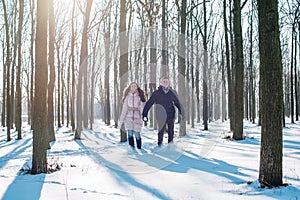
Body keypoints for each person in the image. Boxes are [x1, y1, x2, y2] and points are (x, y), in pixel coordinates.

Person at [142, 76, 183, 146]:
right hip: (160, 115)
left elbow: (177, 103)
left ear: (169, 83)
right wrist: (144, 114)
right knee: (161, 131)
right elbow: (149, 103)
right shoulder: (156, 93)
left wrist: (182, 112)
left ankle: (170, 145)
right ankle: (159, 145)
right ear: (161, 83)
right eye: (164, 81)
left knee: (171, 131)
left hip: (170, 114)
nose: (165, 83)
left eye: (166, 81)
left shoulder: (172, 93)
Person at [118, 82, 146, 149]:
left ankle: (139, 148)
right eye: (132, 86)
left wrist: (143, 116)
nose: (133, 87)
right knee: (130, 134)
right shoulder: (127, 97)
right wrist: (121, 120)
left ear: (137, 87)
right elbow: (124, 109)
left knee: (137, 134)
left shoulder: (140, 97)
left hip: (137, 118)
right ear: (130, 87)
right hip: (128, 118)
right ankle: (132, 148)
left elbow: (142, 107)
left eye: (135, 86)